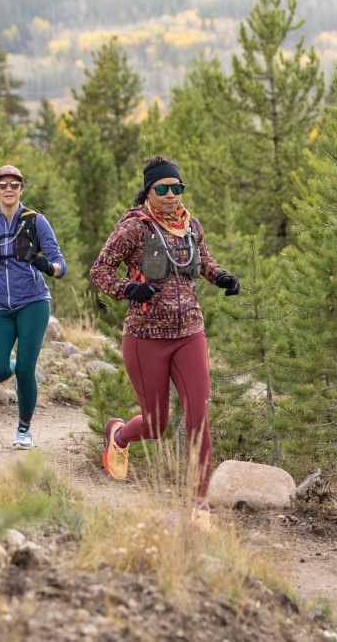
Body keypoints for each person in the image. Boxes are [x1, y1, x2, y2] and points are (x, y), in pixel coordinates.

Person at [88, 156, 240, 532]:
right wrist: (128, 288)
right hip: (145, 337)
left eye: (177, 188)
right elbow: (98, 271)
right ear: (149, 192)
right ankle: (119, 435)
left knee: (198, 418)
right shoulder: (134, 230)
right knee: (156, 424)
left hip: (190, 332)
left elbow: (203, 261)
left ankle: (200, 508)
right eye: (163, 189)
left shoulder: (192, 226)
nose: (172, 195)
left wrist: (221, 278)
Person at [0, 164, 67, 449]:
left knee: (26, 369)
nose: (8, 189)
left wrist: (49, 266)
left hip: (33, 303)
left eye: (14, 184)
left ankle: (23, 430)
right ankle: (18, 367)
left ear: (21, 189)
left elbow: (61, 264)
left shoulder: (36, 221)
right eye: (3, 185)